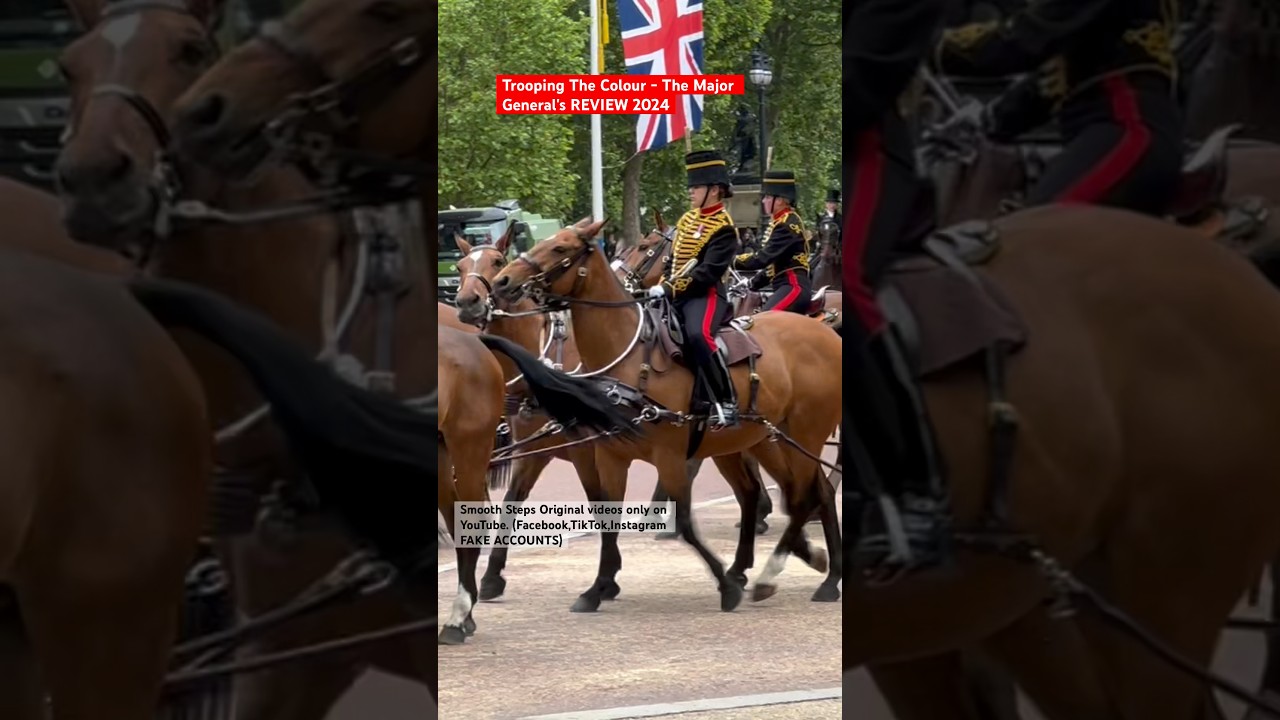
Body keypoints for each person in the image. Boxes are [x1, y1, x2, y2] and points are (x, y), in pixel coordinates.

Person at [844, 0, 951, 579]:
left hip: (868, 143)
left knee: (854, 289)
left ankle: (918, 484)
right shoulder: (693, 221)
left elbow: (864, 76)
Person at [932, 0, 1184, 216]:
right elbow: (1049, 81)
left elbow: (1022, 40)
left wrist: (926, 44)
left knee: (1034, 231)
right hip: (1115, 132)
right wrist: (989, 119)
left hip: (1125, 130)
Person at [647, 150, 741, 428]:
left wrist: (670, 289)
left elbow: (707, 273)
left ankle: (726, 401)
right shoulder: (686, 220)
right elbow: (674, 260)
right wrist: (661, 284)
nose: (690, 191)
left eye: (696, 187)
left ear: (714, 191)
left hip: (706, 294)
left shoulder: (724, 228)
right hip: (675, 292)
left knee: (698, 336)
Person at [733, 170, 812, 313]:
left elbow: (761, 259)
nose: (763, 201)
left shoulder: (786, 224)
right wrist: (751, 283)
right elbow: (771, 269)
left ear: (780, 200)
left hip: (793, 286)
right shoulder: (779, 222)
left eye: (767, 197)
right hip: (783, 286)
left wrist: (731, 260)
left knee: (763, 322)